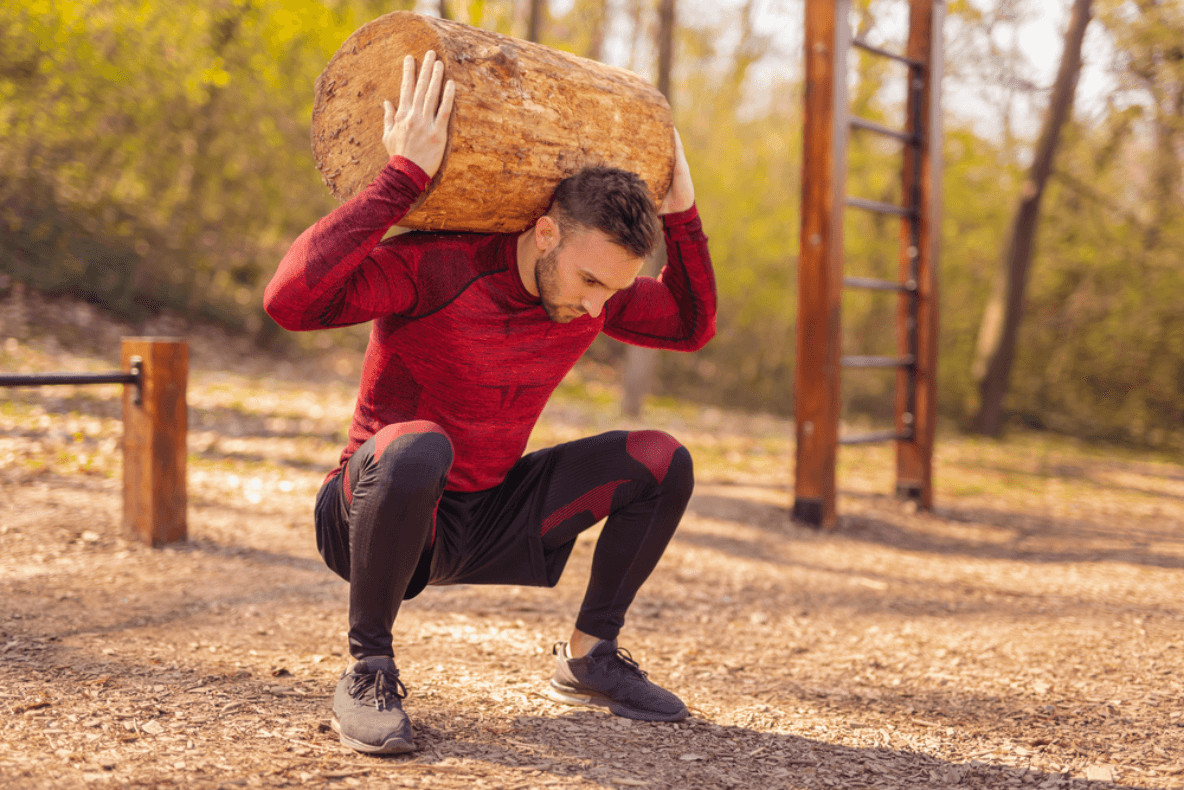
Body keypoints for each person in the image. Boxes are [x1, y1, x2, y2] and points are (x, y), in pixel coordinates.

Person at [264, 50, 716, 755]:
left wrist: (683, 214)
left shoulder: (588, 296)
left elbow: (691, 324)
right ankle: (367, 672)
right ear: (544, 231)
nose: (599, 306)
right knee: (420, 445)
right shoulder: (438, 267)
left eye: (613, 291)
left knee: (661, 460)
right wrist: (400, 179)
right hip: (374, 513)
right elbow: (288, 300)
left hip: (484, 518)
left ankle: (590, 657)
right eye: (590, 279)